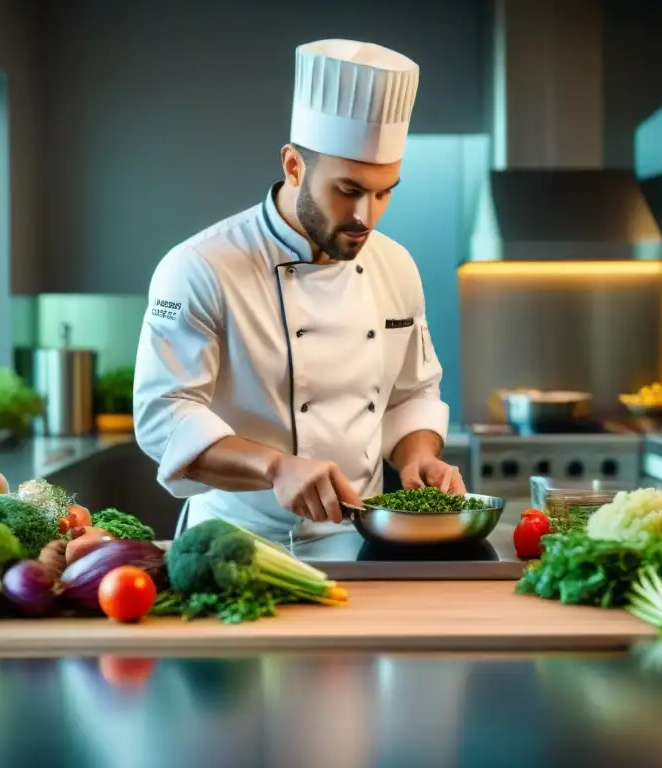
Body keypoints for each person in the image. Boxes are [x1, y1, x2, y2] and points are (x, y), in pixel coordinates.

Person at [133, 39, 464, 541]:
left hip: (361, 540)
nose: (365, 217)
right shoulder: (199, 266)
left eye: (384, 193)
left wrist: (419, 456)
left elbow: (412, 392)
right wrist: (274, 468)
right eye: (347, 190)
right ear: (293, 166)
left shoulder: (396, 265)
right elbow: (164, 415)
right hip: (234, 540)